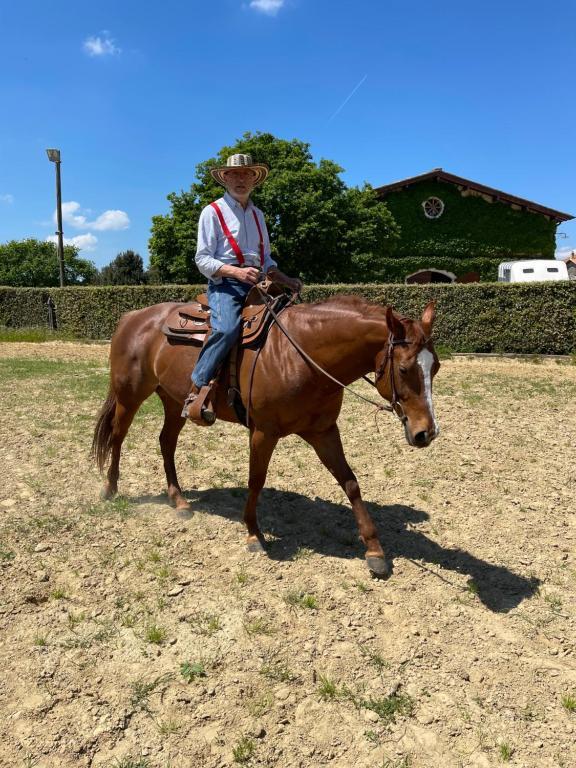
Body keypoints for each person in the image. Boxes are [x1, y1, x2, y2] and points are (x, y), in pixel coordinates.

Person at [182, 153, 302, 425]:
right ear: (225, 178)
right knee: (226, 328)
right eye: (234, 174)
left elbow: (266, 259)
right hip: (225, 284)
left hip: (258, 285)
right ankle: (198, 388)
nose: (240, 179)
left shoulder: (258, 215)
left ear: (254, 179)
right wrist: (236, 272)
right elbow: (202, 259)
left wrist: (286, 279)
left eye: (246, 174)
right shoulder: (212, 212)